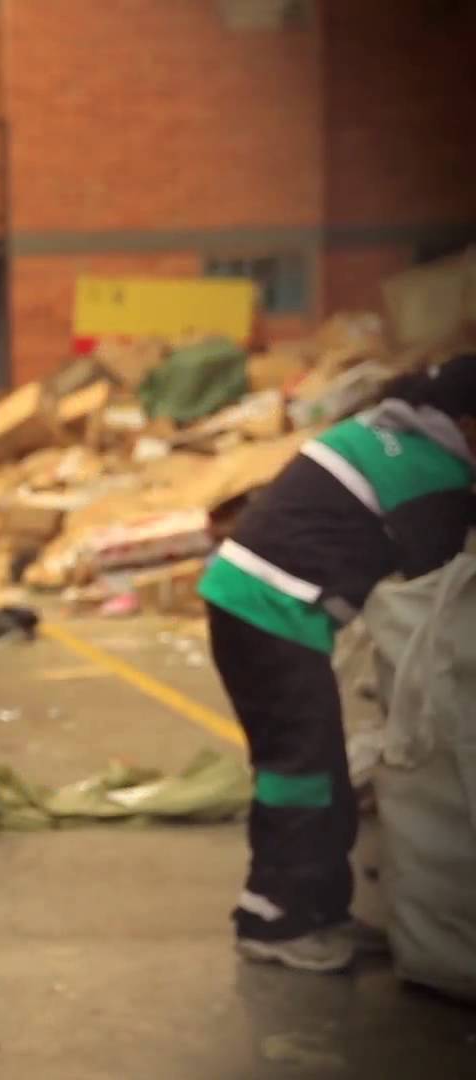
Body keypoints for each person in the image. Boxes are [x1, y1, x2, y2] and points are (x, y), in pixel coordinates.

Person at [199, 354, 476, 972]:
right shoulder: (432, 472)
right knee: (301, 771)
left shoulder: (389, 428)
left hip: (255, 603)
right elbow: (441, 586)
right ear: (466, 420)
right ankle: (273, 922)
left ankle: (320, 912)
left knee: (315, 764)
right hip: (269, 614)